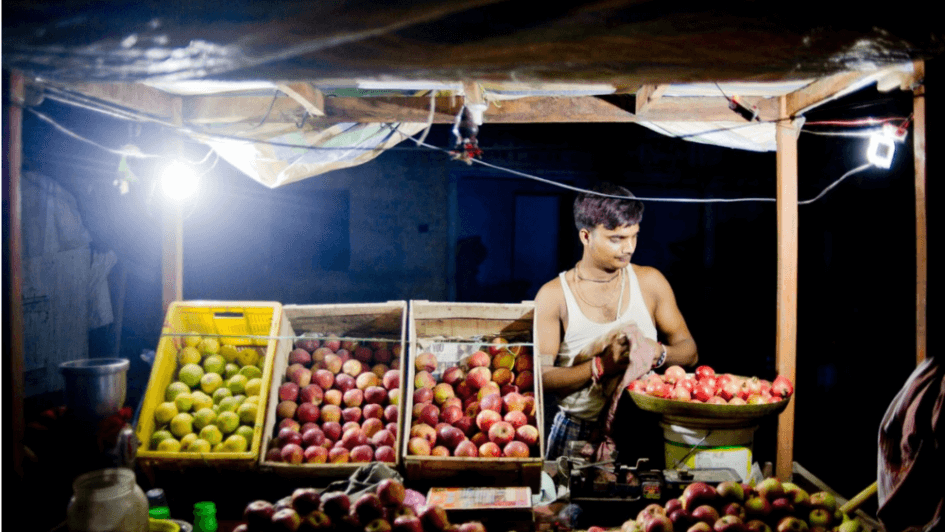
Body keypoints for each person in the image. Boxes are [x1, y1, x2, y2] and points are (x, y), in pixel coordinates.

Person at [535, 183, 698, 462]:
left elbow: (689, 351)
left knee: (652, 507)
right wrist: (600, 366)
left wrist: (655, 352)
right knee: (567, 507)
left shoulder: (650, 282)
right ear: (586, 236)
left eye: (634, 236)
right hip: (578, 432)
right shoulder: (553, 296)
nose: (629, 248)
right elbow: (541, 377)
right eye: (617, 238)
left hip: (643, 426)